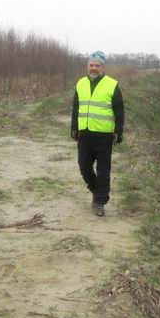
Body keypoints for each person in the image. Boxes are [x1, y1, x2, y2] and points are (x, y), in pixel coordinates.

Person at [71, 50, 124, 217]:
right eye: (91, 65)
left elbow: (119, 110)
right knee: (84, 167)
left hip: (104, 135)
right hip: (85, 133)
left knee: (103, 170)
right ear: (88, 66)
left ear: (103, 66)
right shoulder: (80, 83)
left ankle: (100, 202)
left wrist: (118, 131)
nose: (94, 68)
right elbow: (76, 107)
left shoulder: (112, 84)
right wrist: (74, 128)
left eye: (97, 65)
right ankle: (96, 190)